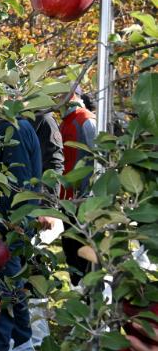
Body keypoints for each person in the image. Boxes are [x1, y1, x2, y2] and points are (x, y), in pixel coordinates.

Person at [0, 117, 42, 351]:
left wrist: (4, 224)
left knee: (3, 289)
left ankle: (1, 349)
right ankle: (22, 344)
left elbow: (15, 184)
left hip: (7, 225)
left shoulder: (9, 128)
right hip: (14, 222)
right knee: (11, 284)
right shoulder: (13, 125)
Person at [59, 86, 97, 286]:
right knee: (71, 249)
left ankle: (89, 294)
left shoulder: (85, 120)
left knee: (82, 251)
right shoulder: (66, 122)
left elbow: (96, 161)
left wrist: (87, 197)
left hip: (82, 201)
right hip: (69, 200)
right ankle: (79, 290)